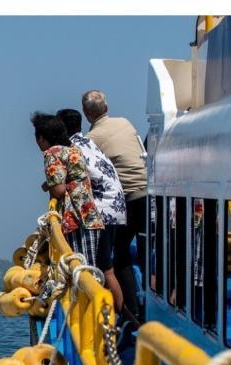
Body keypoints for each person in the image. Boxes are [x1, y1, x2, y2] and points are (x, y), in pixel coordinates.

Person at [31, 112, 124, 311]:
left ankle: (91, 314)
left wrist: (51, 186)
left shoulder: (52, 154)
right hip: (90, 216)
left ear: (42, 138)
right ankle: (107, 315)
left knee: (80, 270)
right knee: (94, 269)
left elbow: (59, 190)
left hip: (75, 218)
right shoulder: (73, 150)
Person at [82, 90, 147, 321]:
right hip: (149, 192)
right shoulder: (125, 122)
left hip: (127, 198)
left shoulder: (91, 139)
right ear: (107, 108)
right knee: (147, 248)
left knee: (119, 252)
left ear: (86, 113)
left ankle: (132, 313)